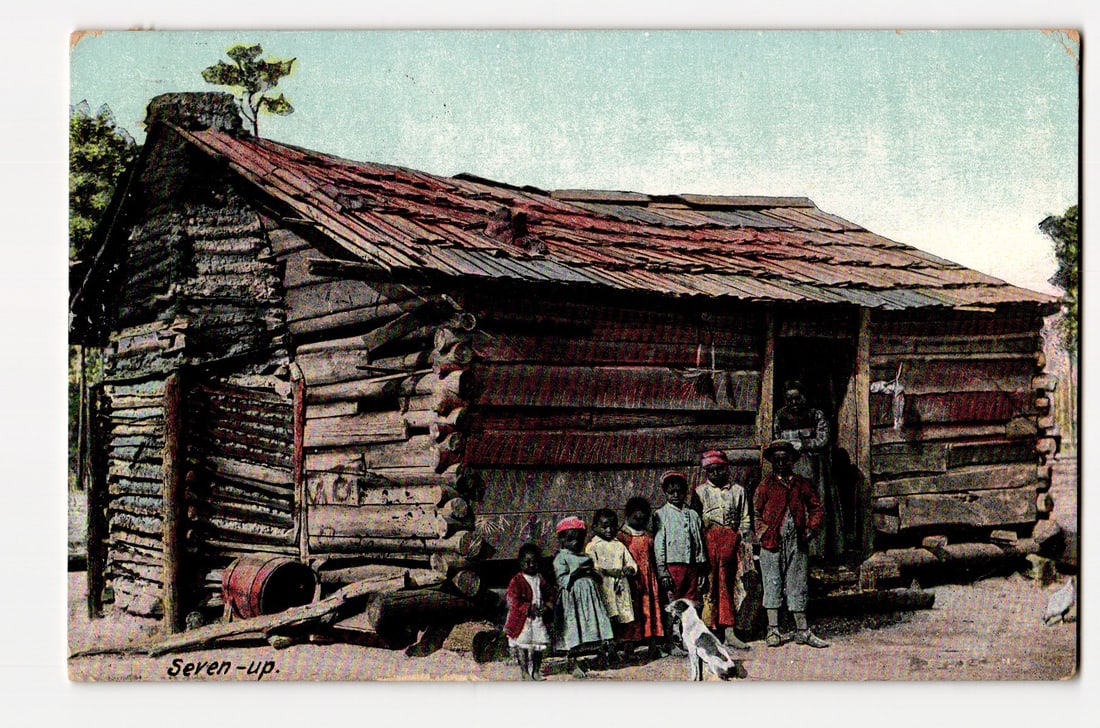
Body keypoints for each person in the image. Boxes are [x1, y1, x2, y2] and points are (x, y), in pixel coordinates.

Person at [754, 440, 829, 648]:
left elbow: (816, 508)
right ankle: (773, 630)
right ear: (771, 462)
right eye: (776, 460)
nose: (781, 463)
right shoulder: (765, 485)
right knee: (772, 582)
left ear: (792, 461)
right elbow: (756, 513)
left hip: (797, 540)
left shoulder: (801, 483)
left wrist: (811, 529)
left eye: (785, 459)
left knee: (798, 582)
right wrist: (762, 533)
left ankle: (803, 630)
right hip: (771, 541)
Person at [774, 379, 845, 560]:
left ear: (804, 398)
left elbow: (823, 439)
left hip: (815, 467)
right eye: (790, 400)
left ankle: (819, 550)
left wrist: (804, 444)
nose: (794, 403)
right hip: (791, 466)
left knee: (816, 504)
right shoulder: (780, 416)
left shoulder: (816, 415)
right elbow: (776, 438)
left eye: (797, 399)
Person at [695, 450, 752, 650]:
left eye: (720, 469)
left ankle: (729, 631)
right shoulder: (700, 492)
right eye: (712, 471)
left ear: (727, 469)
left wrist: (742, 540)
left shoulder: (738, 491)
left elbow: (745, 519)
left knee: (728, 586)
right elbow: (695, 521)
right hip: (708, 543)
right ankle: (710, 631)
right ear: (706, 472)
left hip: (731, 543)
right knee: (709, 586)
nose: (716, 474)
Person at [553, 516, 615, 677]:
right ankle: (573, 663)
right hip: (572, 600)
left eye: (579, 539)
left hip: (590, 599)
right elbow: (561, 580)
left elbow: (597, 578)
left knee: (595, 625)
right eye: (571, 539)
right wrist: (576, 573)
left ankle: (600, 656)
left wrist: (594, 573)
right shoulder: (561, 558)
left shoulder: (585, 556)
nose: (576, 543)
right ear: (562, 539)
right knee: (574, 629)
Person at [617, 497, 665, 658]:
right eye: (636, 518)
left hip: (648, 581)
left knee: (650, 610)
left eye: (643, 519)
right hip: (631, 581)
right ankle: (628, 646)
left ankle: (652, 645)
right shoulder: (621, 536)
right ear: (628, 515)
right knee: (632, 612)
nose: (640, 522)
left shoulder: (648, 536)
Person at [653, 471, 708, 604]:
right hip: (673, 566)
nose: (676, 495)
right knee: (674, 601)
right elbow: (659, 545)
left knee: (691, 601)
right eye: (671, 492)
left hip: (692, 566)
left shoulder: (692, 514)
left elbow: (699, 542)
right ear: (665, 492)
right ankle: (674, 625)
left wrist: (701, 568)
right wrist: (663, 572)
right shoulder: (661, 515)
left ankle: (688, 625)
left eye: (680, 491)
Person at [585, 508, 638, 641]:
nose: (609, 530)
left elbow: (630, 562)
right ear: (595, 527)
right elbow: (592, 566)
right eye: (604, 526)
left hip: (620, 586)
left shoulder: (619, 545)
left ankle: (625, 644)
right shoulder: (592, 546)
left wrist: (630, 569)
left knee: (623, 614)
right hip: (604, 586)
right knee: (607, 615)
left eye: (612, 526)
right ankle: (608, 647)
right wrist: (607, 571)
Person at [504, 543, 554, 680]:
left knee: (538, 645)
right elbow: (513, 599)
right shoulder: (517, 580)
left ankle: (536, 671)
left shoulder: (540, 578)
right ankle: (525, 671)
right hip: (522, 619)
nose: (531, 565)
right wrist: (527, 607)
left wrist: (548, 605)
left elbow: (550, 592)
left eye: (534, 562)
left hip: (537, 618)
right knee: (523, 645)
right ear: (520, 562)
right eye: (527, 562)